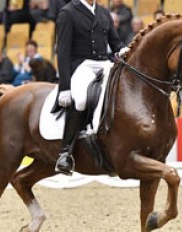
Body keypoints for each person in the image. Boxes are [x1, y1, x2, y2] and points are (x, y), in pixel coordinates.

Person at [53, 0, 126, 175]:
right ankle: (65, 153)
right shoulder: (68, 12)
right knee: (81, 100)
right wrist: (65, 86)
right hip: (81, 65)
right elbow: (62, 52)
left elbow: (115, 41)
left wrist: (123, 49)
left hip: (104, 63)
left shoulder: (103, 12)